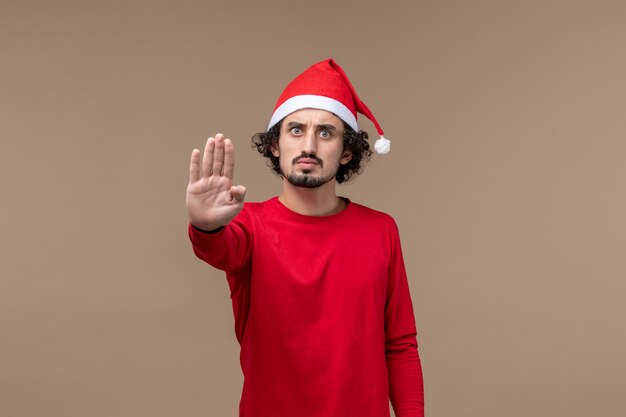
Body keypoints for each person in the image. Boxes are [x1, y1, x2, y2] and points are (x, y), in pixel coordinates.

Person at [186, 58, 424, 417]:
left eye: (325, 132)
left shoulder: (381, 230)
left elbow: (400, 344)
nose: (309, 145)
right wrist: (206, 226)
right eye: (295, 130)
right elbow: (219, 249)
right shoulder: (249, 224)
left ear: (347, 152)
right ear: (275, 146)